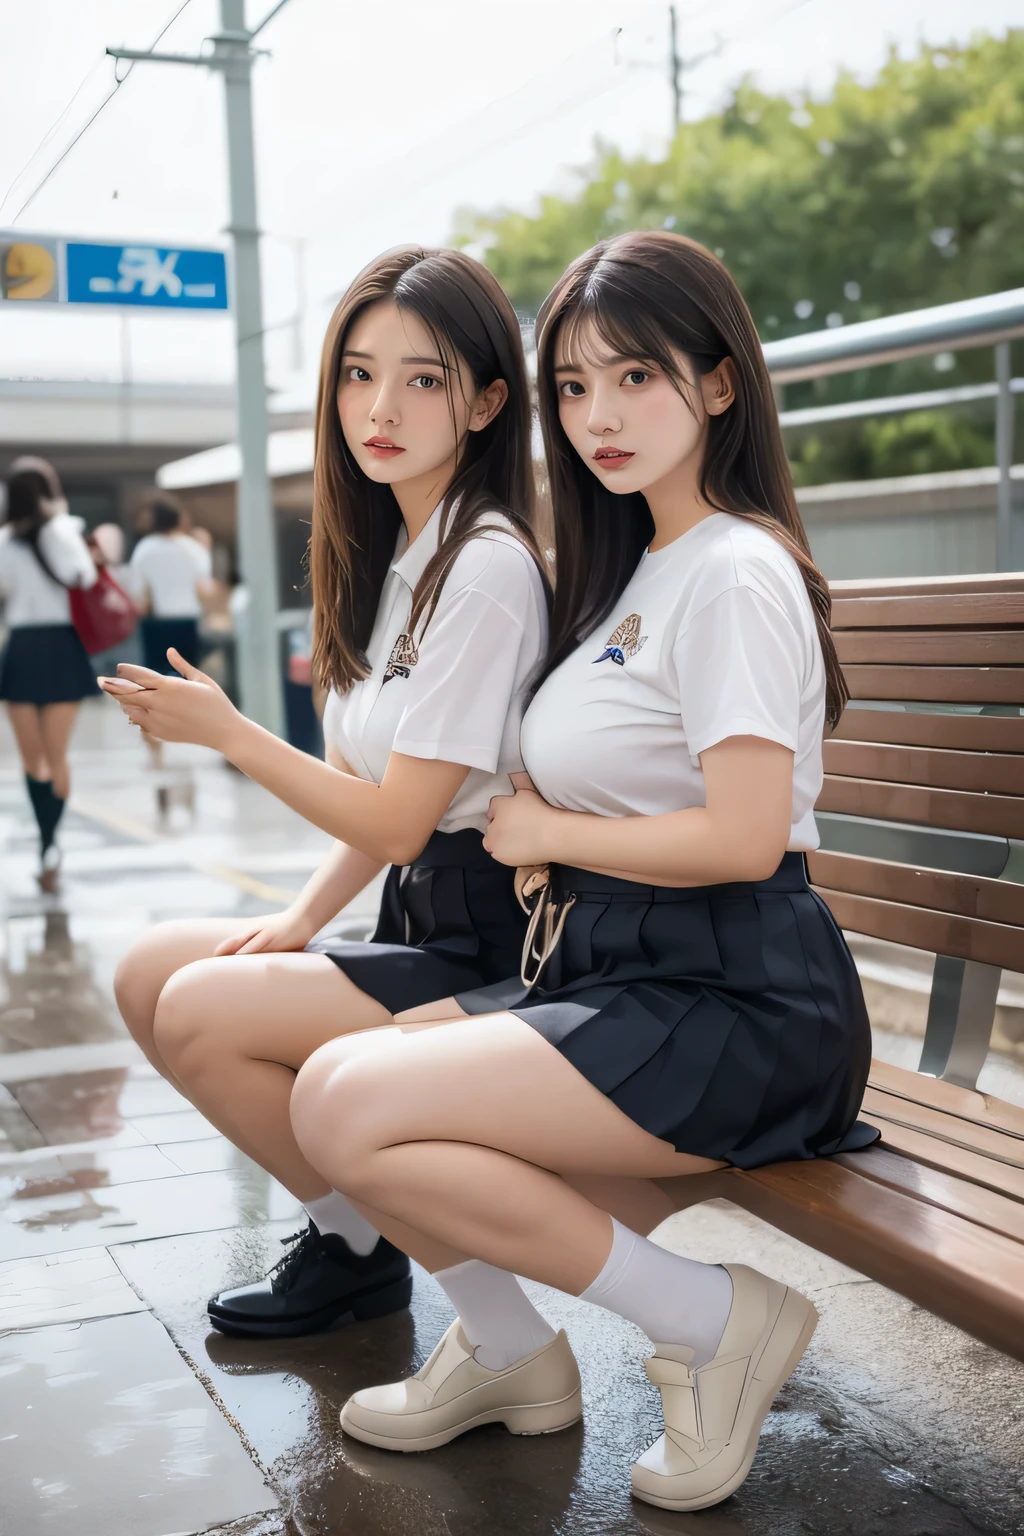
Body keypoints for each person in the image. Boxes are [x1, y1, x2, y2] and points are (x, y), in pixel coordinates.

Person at [282, 232, 876, 1513]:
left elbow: (744, 835)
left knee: (345, 1103)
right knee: (338, 1094)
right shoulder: (637, 567)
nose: (597, 417)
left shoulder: (729, 572)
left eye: (635, 379)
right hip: (629, 971)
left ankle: (717, 1325)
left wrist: (553, 836)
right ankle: (512, 1348)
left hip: (740, 1001)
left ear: (720, 386)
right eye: (571, 386)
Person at [104, 247, 550, 1341]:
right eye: (358, 374)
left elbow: (402, 818)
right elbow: (375, 785)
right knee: (151, 969)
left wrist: (232, 736)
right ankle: (356, 1241)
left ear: (489, 402)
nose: (380, 407)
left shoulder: (485, 566)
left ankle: (478, 1313)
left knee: (200, 1010)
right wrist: (299, 919)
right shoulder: (403, 558)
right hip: (423, 922)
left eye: (424, 378)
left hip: (500, 945)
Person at [0, 457, 98, 892]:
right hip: (60, 646)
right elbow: (85, 576)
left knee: (32, 759)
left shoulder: (4, 540)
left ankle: (46, 843)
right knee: (57, 757)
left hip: (21, 647)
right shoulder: (63, 532)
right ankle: (50, 843)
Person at [128, 494, 212, 674]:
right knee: (189, 675)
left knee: (158, 677)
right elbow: (205, 587)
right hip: (190, 621)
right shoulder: (194, 549)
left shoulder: (145, 549)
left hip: (158, 621)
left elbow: (139, 592)